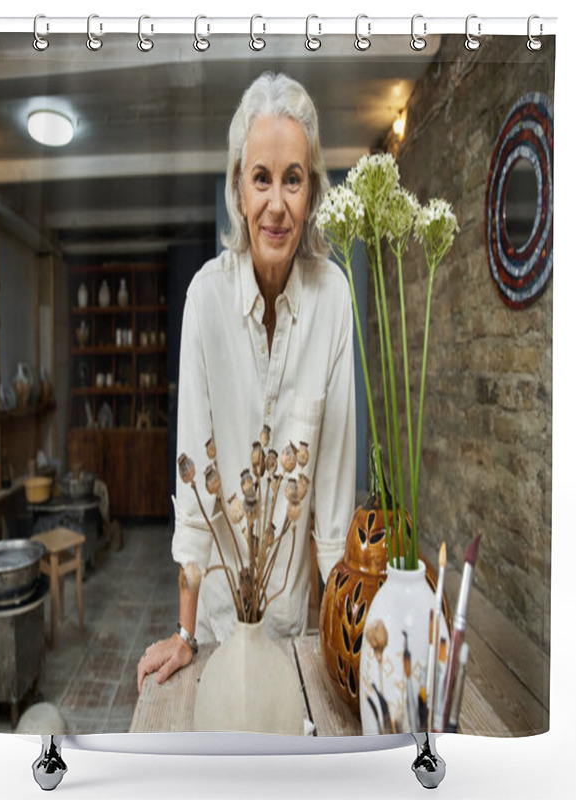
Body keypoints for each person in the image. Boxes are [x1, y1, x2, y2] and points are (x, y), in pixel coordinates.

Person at [137, 72, 356, 692]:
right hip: (215, 628)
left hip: (294, 630)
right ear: (238, 189)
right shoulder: (204, 299)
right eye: (261, 178)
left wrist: (334, 640)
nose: (277, 204)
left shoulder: (334, 299)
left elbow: (333, 503)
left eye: (294, 178)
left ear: (312, 191)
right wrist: (184, 635)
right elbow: (193, 475)